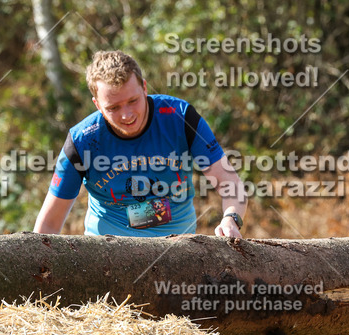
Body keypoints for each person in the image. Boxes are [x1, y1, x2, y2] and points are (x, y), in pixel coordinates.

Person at [34, 50, 246, 238]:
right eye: (113, 108)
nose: (126, 115)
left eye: (133, 101)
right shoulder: (82, 140)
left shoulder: (180, 118)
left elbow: (230, 183)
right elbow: (49, 223)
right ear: (97, 105)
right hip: (106, 253)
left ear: (144, 88)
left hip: (177, 249)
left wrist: (231, 219)